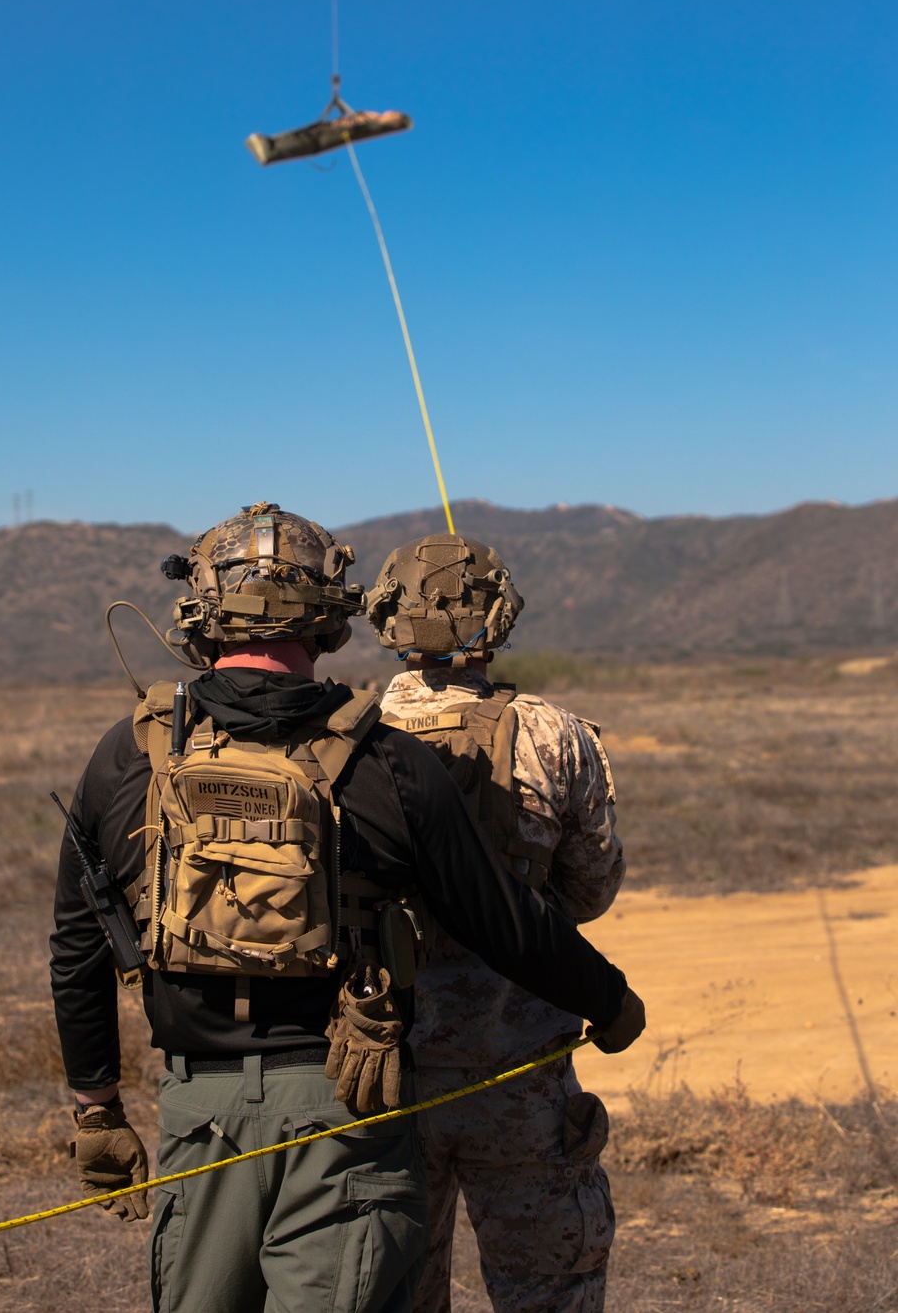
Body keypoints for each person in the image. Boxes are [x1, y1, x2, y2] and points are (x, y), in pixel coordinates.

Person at [50, 503, 644, 1313]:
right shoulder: (380, 760)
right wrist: (606, 999)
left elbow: (80, 943)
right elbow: (501, 920)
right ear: (331, 617)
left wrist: (95, 1104)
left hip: (198, 1111)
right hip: (349, 1104)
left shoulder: (133, 750)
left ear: (199, 609)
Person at [368, 531, 628, 1313]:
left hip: (386, 1077)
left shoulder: (347, 734)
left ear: (387, 616)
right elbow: (588, 893)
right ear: (499, 617)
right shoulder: (555, 734)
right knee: (550, 1292)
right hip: (521, 1074)